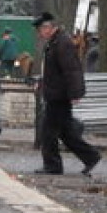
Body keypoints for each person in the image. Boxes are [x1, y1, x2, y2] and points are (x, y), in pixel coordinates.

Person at [33, 11, 101, 176]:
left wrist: (75, 93)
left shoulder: (62, 43)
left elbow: (72, 70)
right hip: (56, 94)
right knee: (65, 133)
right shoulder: (56, 42)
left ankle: (53, 165)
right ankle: (91, 156)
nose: (39, 34)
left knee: (48, 131)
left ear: (48, 28)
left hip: (59, 96)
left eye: (40, 30)